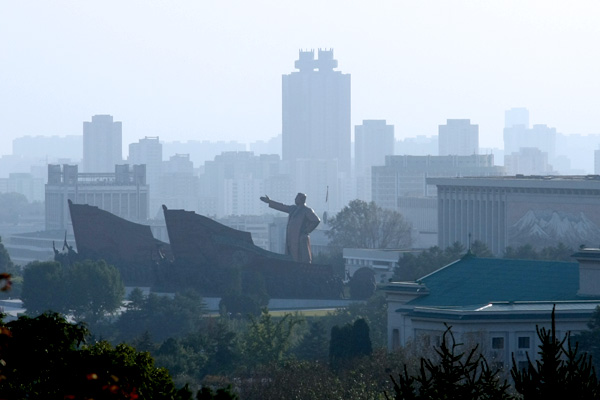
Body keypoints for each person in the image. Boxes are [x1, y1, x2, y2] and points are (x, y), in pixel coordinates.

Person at [260, 193, 320, 263]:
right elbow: (282, 206)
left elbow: (316, 220)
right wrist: (269, 201)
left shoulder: (307, 210)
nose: (295, 199)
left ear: (301, 200)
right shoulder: (293, 208)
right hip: (291, 238)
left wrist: (306, 231)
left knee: (301, 257)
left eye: (296, 198)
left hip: (300, 238)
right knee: (291, 256)